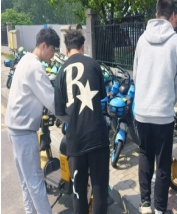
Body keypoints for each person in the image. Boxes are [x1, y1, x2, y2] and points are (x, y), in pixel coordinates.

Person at [133, 0, 177, 214]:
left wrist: (144, 98)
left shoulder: (141, 39)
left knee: (145, 154)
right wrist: (168, 102)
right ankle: (160, 208)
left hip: (142, 112)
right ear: (173, 15)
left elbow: (136, 75)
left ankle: (145, 204)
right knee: (162, 162)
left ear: (156, 15)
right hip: (163, 114)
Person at [54, 29, 110, 214]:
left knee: (78, 194)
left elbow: (60, 112)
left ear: (66, 49)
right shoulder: (94, 65)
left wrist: (74, 120)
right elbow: (101, 98)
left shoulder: (61, 72)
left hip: (75, 142)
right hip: (98, 138)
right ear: (83, 47)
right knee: (100, 193)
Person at [5, 28, 60, 214]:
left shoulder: (25, 59)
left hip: (14, 129)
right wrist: (73, 118)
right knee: (36, 183)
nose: (52, 56)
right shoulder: (36, 67)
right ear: (44, 46)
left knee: (26, 182)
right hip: (24, 132)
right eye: (52, 50)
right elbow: (53, 102)